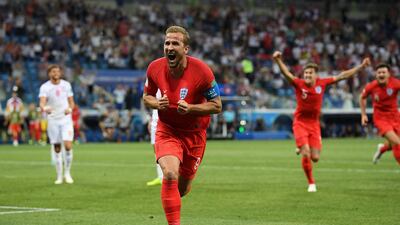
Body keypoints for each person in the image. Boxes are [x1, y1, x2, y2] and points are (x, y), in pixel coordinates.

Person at [143, 25, 222, 225]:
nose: (170, 47)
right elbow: (147, 97)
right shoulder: (154, 67)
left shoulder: (202, 71)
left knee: (181, 189)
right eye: (167, 43)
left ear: (185, 49)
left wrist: (191, 108)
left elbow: (217, 106)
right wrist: (155, 103)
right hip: (167, 130)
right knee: (169, 174)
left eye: (175, 43)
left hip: (194, 135)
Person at [273, 51, 370, 192]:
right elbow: (286, 74)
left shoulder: (322, 83)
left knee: (315, 158)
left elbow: (343, 75)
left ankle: (301, 146)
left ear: (316, 75)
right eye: (305, 73)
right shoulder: (299, 84)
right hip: (300, 122)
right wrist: (278, 61)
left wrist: (360, 67)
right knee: (306, 153)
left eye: (310, 73)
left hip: (314, 125)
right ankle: (311, 183)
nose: (307, 76)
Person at [39, 65, 75, 185]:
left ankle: (67, 173)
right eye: (53, 71)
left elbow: (71, 102)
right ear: (49, 73)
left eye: (58, 71)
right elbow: (42, 102)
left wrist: (70, 109)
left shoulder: (66, 85)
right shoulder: (45, 87)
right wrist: (44, 108)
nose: (56, 73)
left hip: (66, 119)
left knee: (68, 145)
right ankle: (59, 175)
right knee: (57, 148)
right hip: (53, 120)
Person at [359, 63, 400, 165]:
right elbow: (362, 97)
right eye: (379, 72)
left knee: (394, 142)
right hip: (381, 119)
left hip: (395, 117)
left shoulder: (395, 83)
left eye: (383, 72)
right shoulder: (372, 86)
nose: (381, 74)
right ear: (376, 75)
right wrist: (363, 114)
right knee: (397, 143)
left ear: (389, 74)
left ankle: (382, 149)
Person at [146, 89, 163, 186]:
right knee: (156, 148)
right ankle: (161, 177)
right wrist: (151, 119)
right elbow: (149, 99)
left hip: (167, 118)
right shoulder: (153, 77)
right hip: (155, 119)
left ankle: (177, 175)